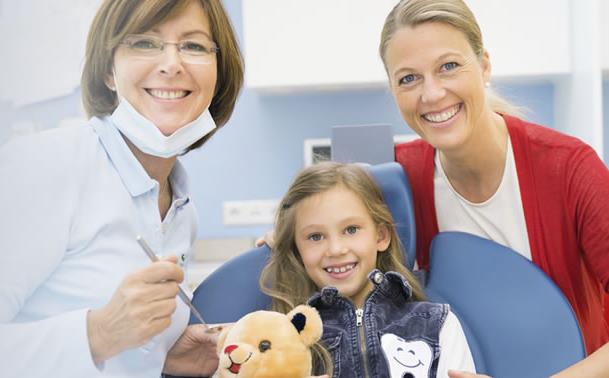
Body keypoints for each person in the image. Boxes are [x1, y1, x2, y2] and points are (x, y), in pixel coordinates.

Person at [0, 0, 243, 376]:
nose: (171, 64)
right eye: (145, 43)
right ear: (108, 72)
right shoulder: (44, 167)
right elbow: (104, 332)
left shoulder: (181, 211)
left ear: (218, 75)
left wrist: (164, 353)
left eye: (194, 46)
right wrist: (97, 333)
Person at [378, 0, 609, 376]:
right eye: (408, 78)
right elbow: (330, 227)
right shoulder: (395, 177)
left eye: (448, 66)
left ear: (484, 64)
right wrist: (295, 233)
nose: (432, 93)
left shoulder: (569, 168)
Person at [260, 162, 476, 377]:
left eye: (351, 229)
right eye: (315, 237)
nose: (336, 249)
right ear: (298, 250)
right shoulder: (280, 343)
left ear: (381, 236)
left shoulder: (438, 325)